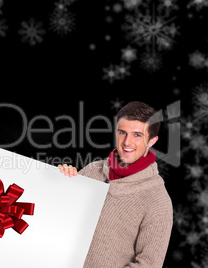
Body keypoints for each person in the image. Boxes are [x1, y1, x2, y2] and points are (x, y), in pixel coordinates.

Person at [59, 101, 173, 268]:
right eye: (122, 132)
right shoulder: (91, 171)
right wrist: (60, 183)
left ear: (152, 141)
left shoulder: (158, 200)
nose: (127, 142)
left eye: (137, 135)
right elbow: (59, 220)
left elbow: (148, 265)